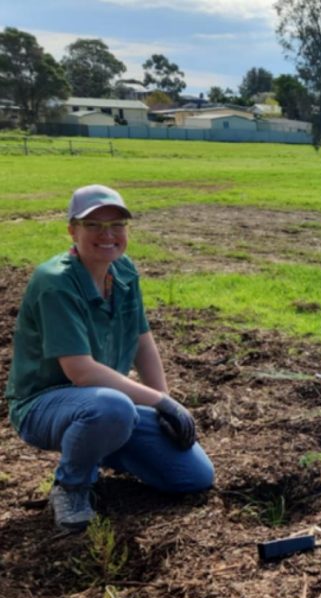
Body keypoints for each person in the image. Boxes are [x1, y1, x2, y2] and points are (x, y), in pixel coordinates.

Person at [5, 184, 214, 531]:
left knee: (193, 477)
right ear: (72, 230)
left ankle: (101, 444)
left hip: (105, 406)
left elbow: (142, 340)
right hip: (43, 406)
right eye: (93, 226)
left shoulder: (124, 272)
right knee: (111, 408)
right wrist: (160, 402)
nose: (107, 235)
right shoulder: (55, 283)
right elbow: (81, 373)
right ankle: (71, 486)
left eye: (116, 225)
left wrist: (165, 404)